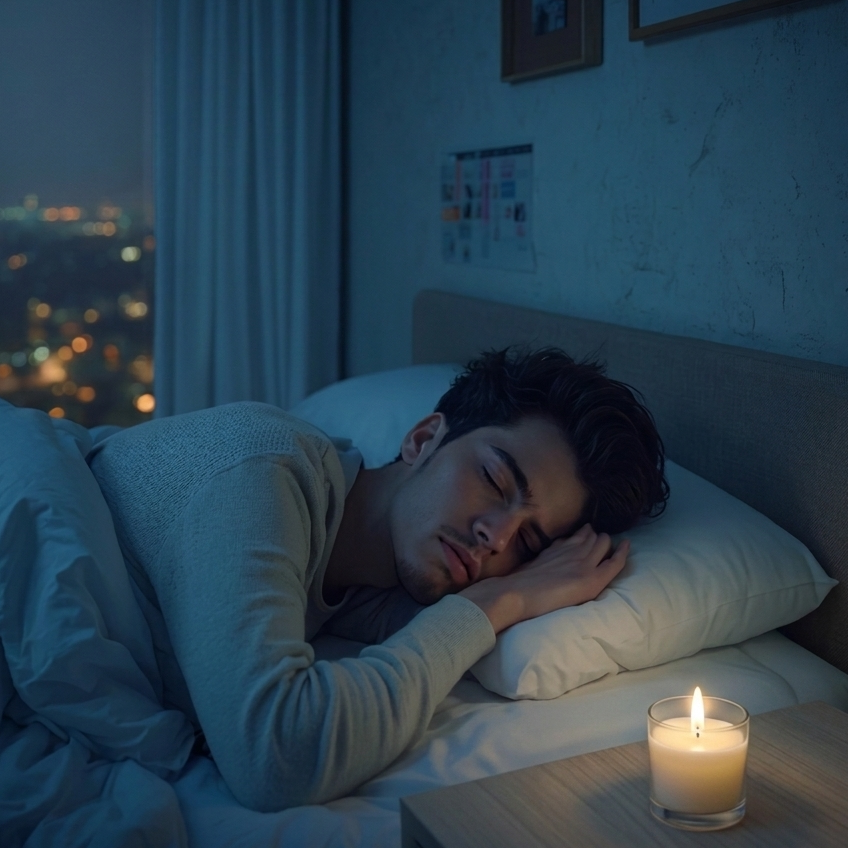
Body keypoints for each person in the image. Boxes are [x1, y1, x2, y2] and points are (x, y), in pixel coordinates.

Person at [87, 346, 668, 812]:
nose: (497, 537)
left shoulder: (362, 575)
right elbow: (276, 754)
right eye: (493, 479)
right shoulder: (260, 474)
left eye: (531, 543)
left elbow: (410, 627)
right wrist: (498, 600)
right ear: (422, 440)